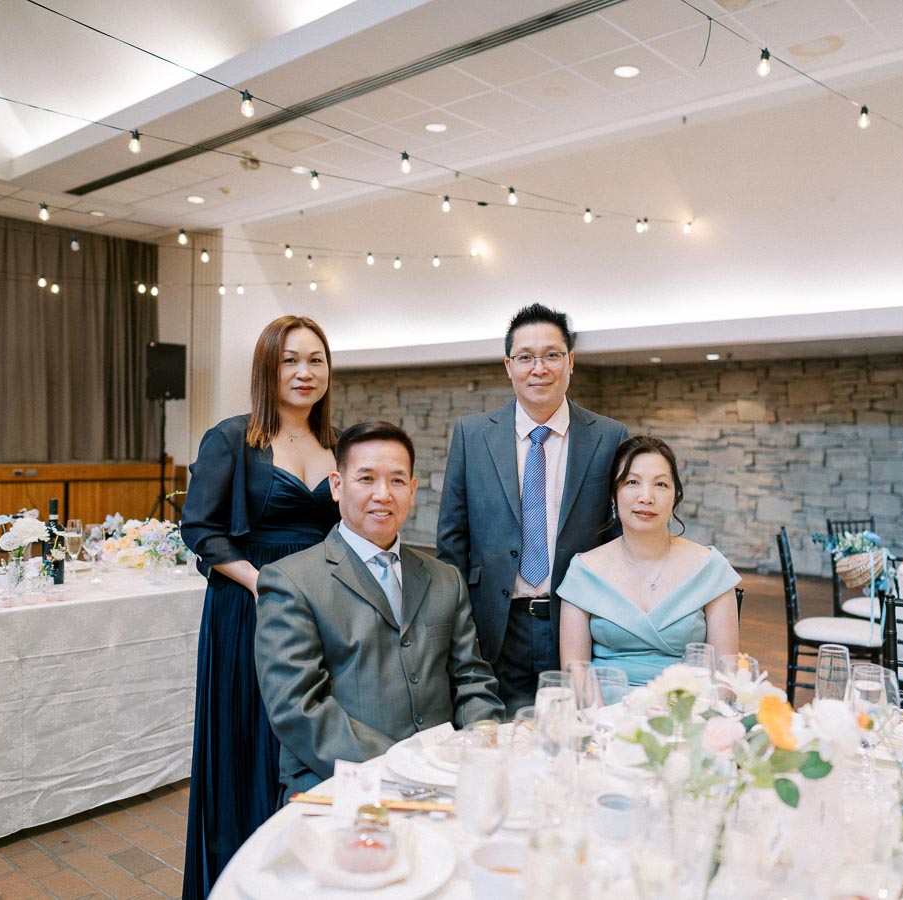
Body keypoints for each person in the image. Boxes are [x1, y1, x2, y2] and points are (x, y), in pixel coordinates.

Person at [179, 315, 340, 899]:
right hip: (248, 609)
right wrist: (261, 583)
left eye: (315, 360)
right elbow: (200, 528)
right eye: (289, 360)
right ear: (267, 368)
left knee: (305, 744)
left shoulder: (336, 445)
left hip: (319, 613)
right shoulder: (232, 437)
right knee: (249, 744)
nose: (304, 372)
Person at [255, 421, 505, 798]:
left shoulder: (445, 578)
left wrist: (480, 750)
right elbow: (298, 708)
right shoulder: (291, 581)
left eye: (397, 481)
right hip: (344, 780)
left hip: (446, 779)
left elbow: (472, 680)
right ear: (337, 486)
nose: (383, 495)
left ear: (413, 490)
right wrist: (401, 769)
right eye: (367, 479)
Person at [437, 303, 629, 714]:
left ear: (570, 362)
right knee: (499, 734)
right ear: (509, 366)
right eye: (525, 357)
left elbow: (618, 539)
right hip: (494, 622)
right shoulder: (472, 436)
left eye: (552, 355)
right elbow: (452, 541)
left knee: (576, 734)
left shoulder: (609, 437)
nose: (538, 368)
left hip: (577, 621)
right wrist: (457, 629)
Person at [556, 435, 740, 686]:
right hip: (604, 714)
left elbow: (725, 674)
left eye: (661, 485)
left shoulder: (711, 569)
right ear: (613, 495)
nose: (646, 497)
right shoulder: (584, 572)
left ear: (675, 495)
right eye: (632, 482)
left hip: (685, 712)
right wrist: (600, 722)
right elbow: (576, 676)